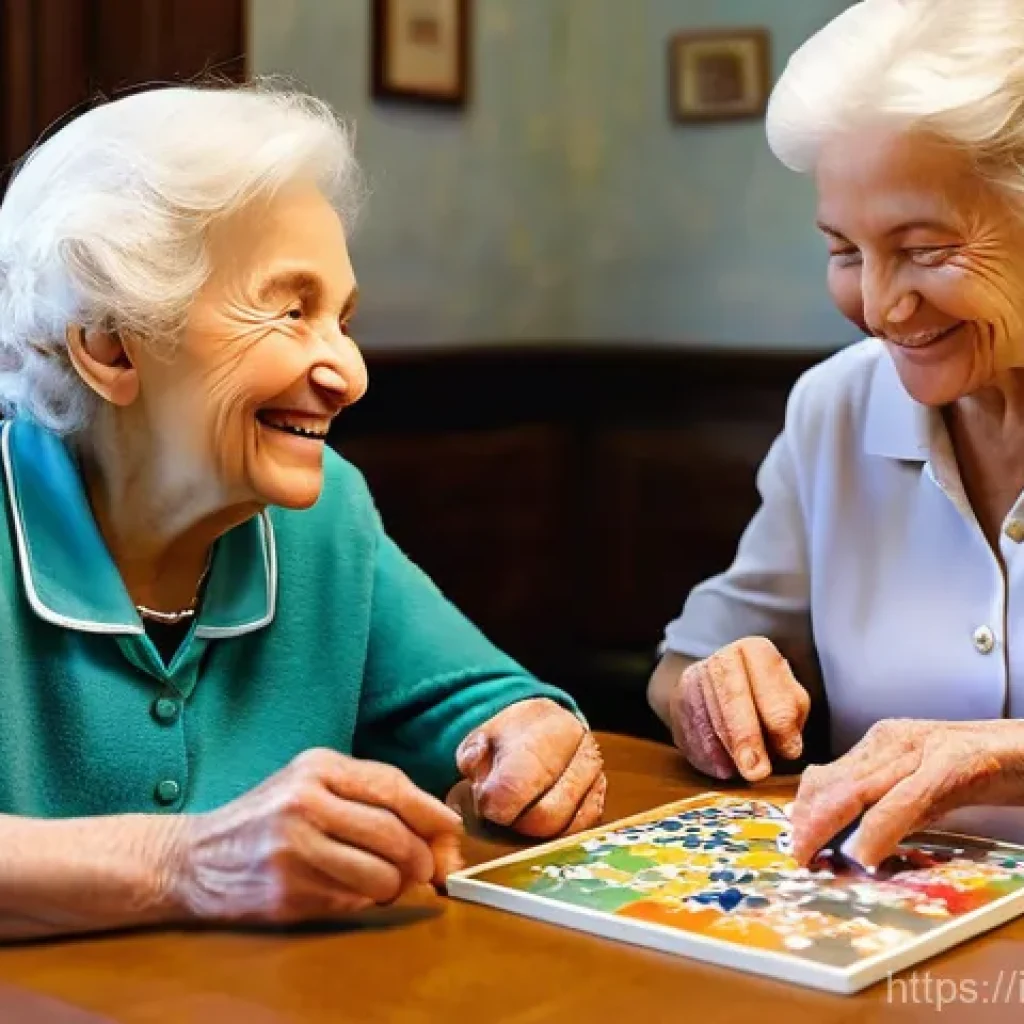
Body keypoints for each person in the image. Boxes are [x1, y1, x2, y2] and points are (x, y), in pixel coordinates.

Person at [0, 82, 606, 941]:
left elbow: (481, 702)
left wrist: (530, 737)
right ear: (110, 344)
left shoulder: (320, 517)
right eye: (289, 311)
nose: (349, 375)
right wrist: (189, 862)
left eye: (342, 320)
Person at [649, 0, 1024, 870]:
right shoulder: (836, 406)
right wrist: (711, 695)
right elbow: (681, 668)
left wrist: (995, 754)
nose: (881, 308)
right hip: (892, 930)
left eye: (924, 248)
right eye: (846, 252)